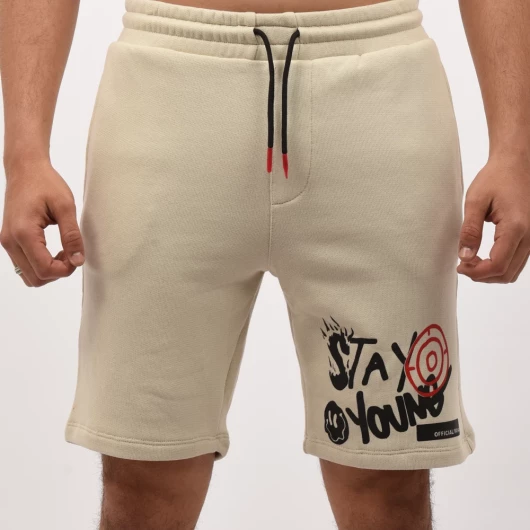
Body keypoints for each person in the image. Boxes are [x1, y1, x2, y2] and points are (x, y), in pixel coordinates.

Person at [1, 0, 529, 528]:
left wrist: (515, 150)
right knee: (141, 484)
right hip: (165, 93)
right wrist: (24, 155)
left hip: (378, 97)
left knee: (390, 486)